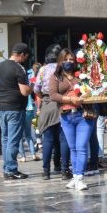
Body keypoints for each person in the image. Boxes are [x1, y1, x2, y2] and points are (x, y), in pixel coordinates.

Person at [49, 48, 96, 190]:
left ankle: (80, 177)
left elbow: (92, 89)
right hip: (66, 115)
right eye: (66, 59)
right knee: (73, 148)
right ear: (60, 61)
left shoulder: (81, 75)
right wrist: (70, 98)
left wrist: (83, 96)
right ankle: (75, 177)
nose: (69, 62)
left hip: (83, 115)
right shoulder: (56, 76)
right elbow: (53, 95)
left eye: (71, 60)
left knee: (81, 147)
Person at [0, 43, 33, 180]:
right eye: (26, 57)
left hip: (1, 107)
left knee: (5, 139)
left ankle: (7, 168)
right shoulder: (19, 68)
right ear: (22, 55)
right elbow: (24, 91)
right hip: (15, 108)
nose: (25, 59)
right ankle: (11, 169)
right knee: (13, 140)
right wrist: (32, 87)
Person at [35, 45, 70, 180]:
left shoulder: (43, 70)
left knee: (48, 139)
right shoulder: (63, 68)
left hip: (47, 104)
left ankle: (46, 172)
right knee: (63, 138)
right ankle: (64, 169)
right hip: (63, 103)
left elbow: (36, 88)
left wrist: (45, 97)